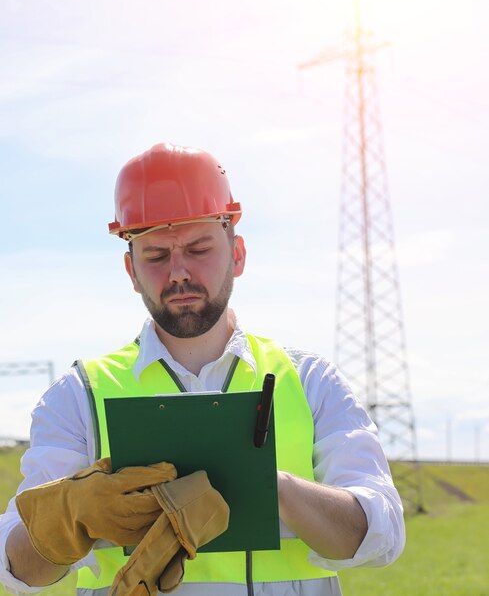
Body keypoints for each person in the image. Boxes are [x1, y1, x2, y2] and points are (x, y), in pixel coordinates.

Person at [0, 142, 405, 596]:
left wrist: (272, 488)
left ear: (237, 255)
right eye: (155, 256)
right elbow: (14, 571)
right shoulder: (79, 396)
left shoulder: (310, 381)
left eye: (198, 248)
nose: (178, 272)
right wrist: (69, 516)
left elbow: (380, 534)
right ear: (131, 271)